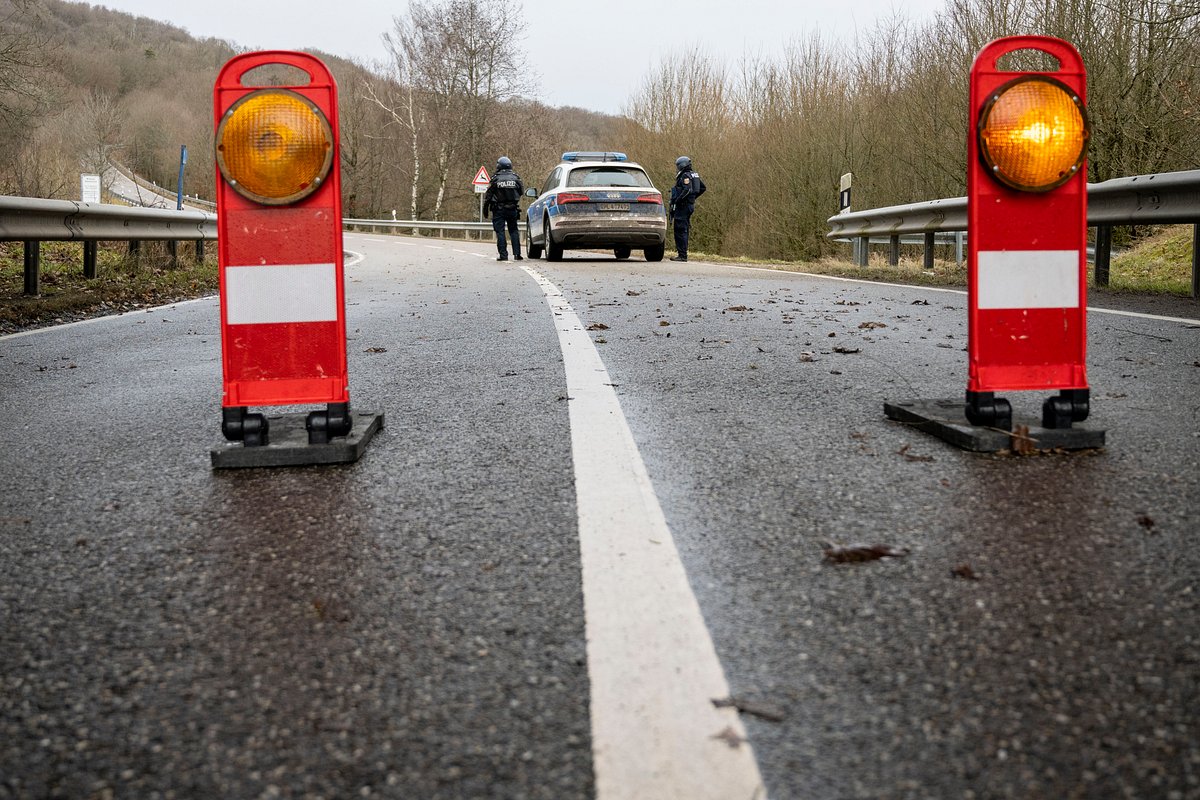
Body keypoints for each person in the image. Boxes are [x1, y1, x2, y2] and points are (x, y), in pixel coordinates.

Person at [483, 156, 524, 261]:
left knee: (500, 231)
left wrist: (485, 209)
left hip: (499, 209)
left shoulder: (495, 179)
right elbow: (521, 192)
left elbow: (488, 196)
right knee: (513, 230)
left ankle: (503, 255)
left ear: (499, 166)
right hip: (513, 209)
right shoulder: (516, 178)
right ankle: (517, 254)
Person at [668, 155, 706, 262]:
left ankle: (682, 255)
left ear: (682, 165)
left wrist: (678, 200)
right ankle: (682, 254)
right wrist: (693, 198)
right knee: (684, 229)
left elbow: (687, 190)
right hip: (689, 205)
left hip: (683, 206)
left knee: (680, 230)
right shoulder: (694, 175)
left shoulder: (685, 176)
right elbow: (702, 188)